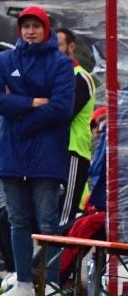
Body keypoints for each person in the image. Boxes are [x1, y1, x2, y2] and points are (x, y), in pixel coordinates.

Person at [0, 5, 75, 296]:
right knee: (18, 221)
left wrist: (21, 119)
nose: (30, 31)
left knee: (48, 222)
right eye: (25, 26)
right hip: (12, 154)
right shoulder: (5, 59)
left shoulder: (61, 64)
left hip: (46, 155)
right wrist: (32, 102)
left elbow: (62, 107)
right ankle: (23, 282)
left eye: (36, 25)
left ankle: (51, 285)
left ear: (46, 28)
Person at [55, 27, 96, 228]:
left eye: (59, 45)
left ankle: (54, 260)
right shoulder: (54, 77)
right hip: (53, 151)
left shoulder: (81, 77)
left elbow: (63, 113)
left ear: (71, 47)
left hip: (73, 151)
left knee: (65, 216)